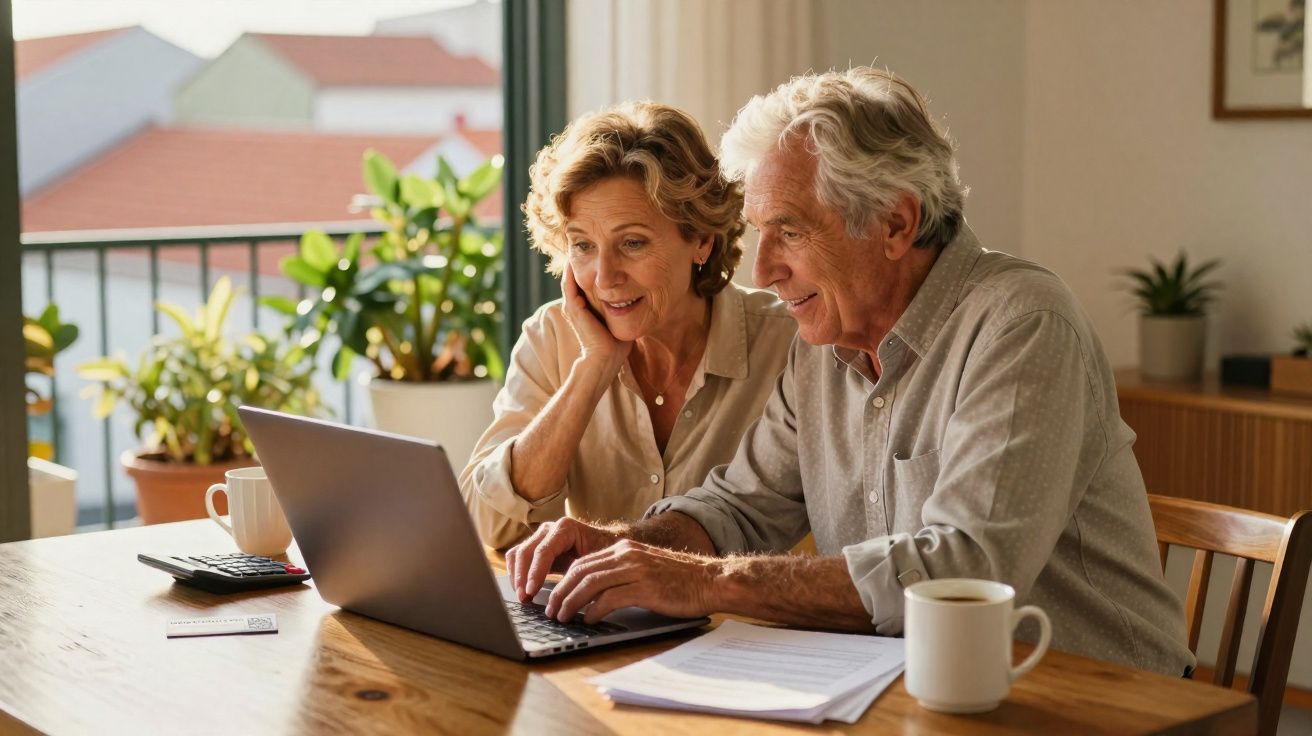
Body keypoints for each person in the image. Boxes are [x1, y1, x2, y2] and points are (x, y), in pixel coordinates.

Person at [505, 68, 1195, 675]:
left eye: (791, 232)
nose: (763, 270)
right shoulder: (821, 344)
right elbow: (741, 506)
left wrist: (701, 582)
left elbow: (964, 572)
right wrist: (623, 545)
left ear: (895, 224)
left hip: (1095, 698)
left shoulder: (1021, 323)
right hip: (919, 689)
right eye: (760, 231)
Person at [460, 101, 797, 549]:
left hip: (735, 617)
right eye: (582, 245)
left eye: (632, 243)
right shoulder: (551, 338)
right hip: (587, 616)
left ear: (700, 239)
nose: (605, 277)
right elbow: (487, 524)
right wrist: (592, 369)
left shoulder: (789, 346)